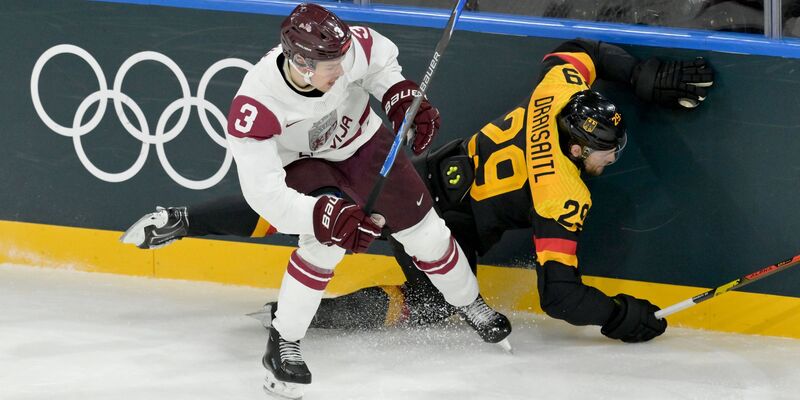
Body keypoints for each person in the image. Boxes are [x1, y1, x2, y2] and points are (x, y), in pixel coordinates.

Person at [124, 37, 713, 358]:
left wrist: (635, 74)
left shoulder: (555, 96)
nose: (615, 158)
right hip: (444, 217)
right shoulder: (561, 191)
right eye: (607, 152)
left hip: (428, 171)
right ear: (580, 151)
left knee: (306, 199)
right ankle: (297, 320)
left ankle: (184, 219)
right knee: (432, 300)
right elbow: (559, 296)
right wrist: (621, 317)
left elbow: (577, 49)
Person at [123, 3, 511, 399]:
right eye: (331, 66)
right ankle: (284, 343)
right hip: (304, 165)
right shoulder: (256, 106)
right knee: (322, 245)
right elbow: (266, 198)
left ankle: (469, 303)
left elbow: (380, 66)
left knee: (427, 233)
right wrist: (323, 216)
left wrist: (397, 95)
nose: (343, 70)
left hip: (361, 142)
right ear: (302, 63)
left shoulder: (345, 49)